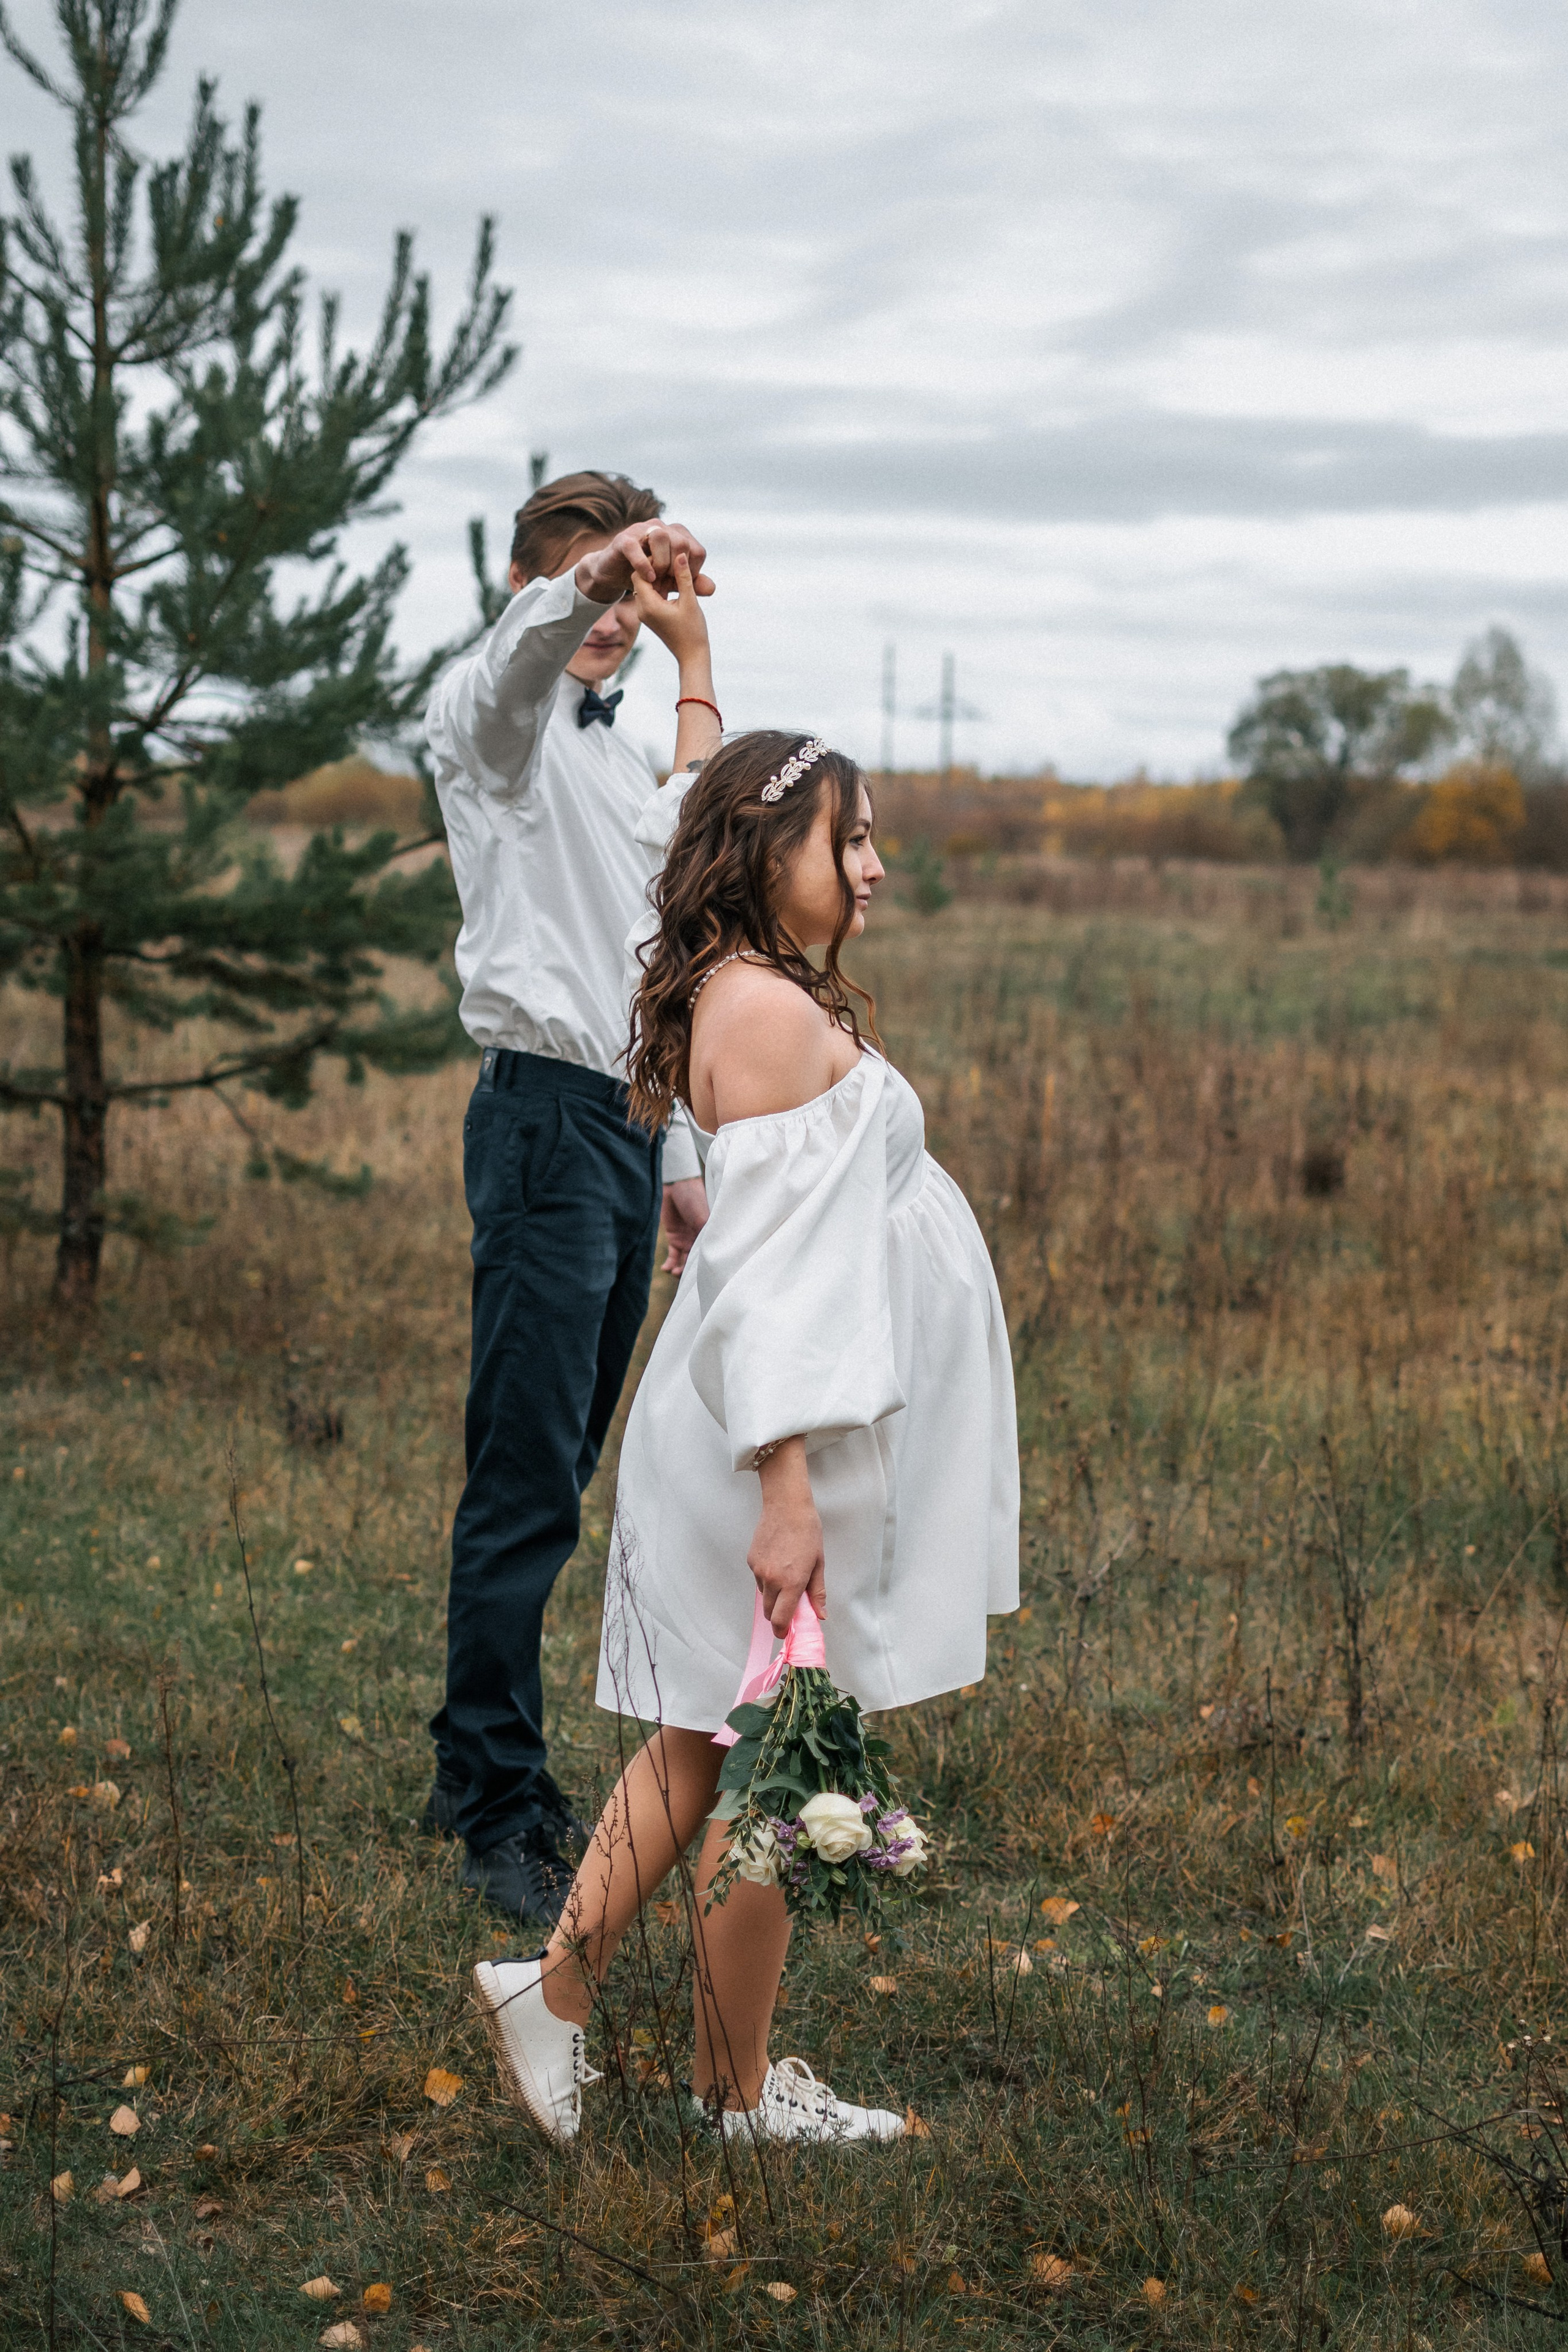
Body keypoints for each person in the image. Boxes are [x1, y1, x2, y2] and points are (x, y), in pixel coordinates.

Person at [473, 726, 1020, 2145]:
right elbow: (781, 1284)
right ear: (762, 853)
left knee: (712, 1746)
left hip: (787, 1423)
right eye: (846, 842)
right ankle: (725, 2091)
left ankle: (559, 1999)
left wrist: (698, 677)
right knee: (784, 1755)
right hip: (789, 1443)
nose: (873, 868)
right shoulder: (764, 1009)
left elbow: (772, 1234)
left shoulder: (748, 989)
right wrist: (787, 1492)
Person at [424, 470, 725, 1926]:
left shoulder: (610, 759)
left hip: (620, 1127)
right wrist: (601, 573)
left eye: (620, 600)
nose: (607, 620)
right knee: (527, 1483)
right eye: (583, 593)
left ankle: (471, 1752)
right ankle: (492, 1796)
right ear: (537, 587)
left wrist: (674, 1165)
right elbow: (520, 658)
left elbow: (642, 957)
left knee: (567, 1465)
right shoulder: (485, 724)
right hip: (539, 1125)